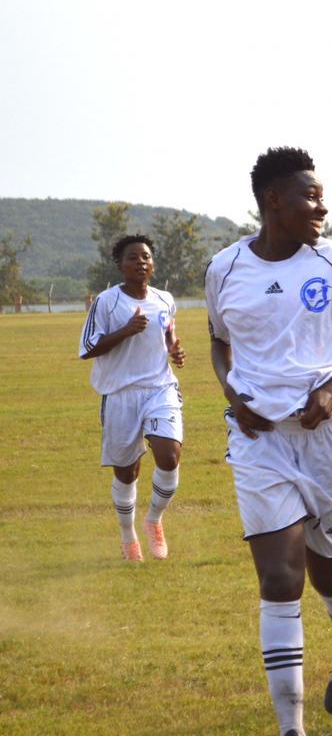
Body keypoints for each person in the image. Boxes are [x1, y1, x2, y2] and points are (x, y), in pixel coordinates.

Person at [205, 147, 332, 736]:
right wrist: (233, 395)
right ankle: (292, 734)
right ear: (274, 202)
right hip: (257, 441)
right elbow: (218, 342)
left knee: (326, 568)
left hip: (326, 436)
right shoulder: (224, 268)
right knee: (279, 578)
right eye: (310, 196)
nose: (323, 206)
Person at [79, 235, 186, 562]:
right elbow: (88, 349)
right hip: (120, 393)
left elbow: (168, 331)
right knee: (127, 473)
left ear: (153, 264)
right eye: (132, 257)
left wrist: (174, 348)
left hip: (159, 388)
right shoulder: (106, 302)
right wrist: (126, 330)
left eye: (146, 257)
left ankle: (154, 520)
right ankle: (128, 538)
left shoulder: (164, 299)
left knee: (169, 456)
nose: (140, 262)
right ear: (120, 265)